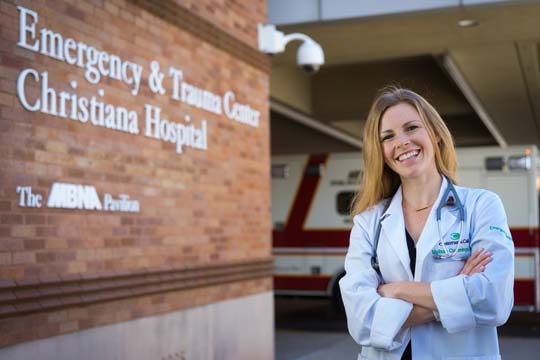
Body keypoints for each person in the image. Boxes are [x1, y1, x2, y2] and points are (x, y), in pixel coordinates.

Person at [339, 86, 514, 360]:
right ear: (381, 151)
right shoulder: (368, 223)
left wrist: (396, 291)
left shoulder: (482, 206)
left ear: (435, 134)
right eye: (388, 136)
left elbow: (494, 300)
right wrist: (454, 295)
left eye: (411, 128)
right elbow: (361, 320)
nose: (402, 142)